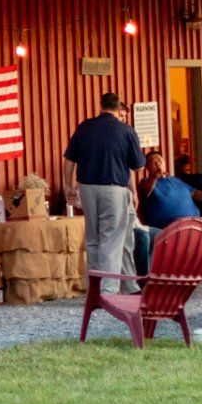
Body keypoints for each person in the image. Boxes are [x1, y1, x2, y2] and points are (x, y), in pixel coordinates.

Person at [64, 92, 148, 286]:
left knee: (93, 240)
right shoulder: (126, 131)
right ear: (119, 109)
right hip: (113, 190)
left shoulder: (84, 127)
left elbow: (69, 160)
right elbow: (137, 166)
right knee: (111, 241)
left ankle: (94, 290)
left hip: (86, 188)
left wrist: (69, 186)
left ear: (100, 106)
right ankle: (107, 292)